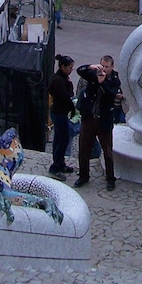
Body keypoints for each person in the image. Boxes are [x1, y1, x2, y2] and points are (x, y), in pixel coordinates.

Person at [74, 55, 120, 190]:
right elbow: (80, 71)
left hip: (104, 120)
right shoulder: (94, 74)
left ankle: (110, 179)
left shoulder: (114, 80)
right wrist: (90, 67)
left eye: (107, 67)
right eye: (102, 66)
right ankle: (83, 176)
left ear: (112, 67)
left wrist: (103, 82)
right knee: (83, 149)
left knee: (107, 152)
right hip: (89, 118)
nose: (104, 69)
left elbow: (111, 94)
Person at [48, 54, 74, 179]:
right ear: (63, 67)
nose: (71, 70)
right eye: (69, 67)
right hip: (59, 113)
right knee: (62, 139)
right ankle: (56, 166)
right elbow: (65, 97)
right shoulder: (59, 80)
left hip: (59, 112)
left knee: (59, 138)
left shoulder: (60, 78)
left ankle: (60, 162)